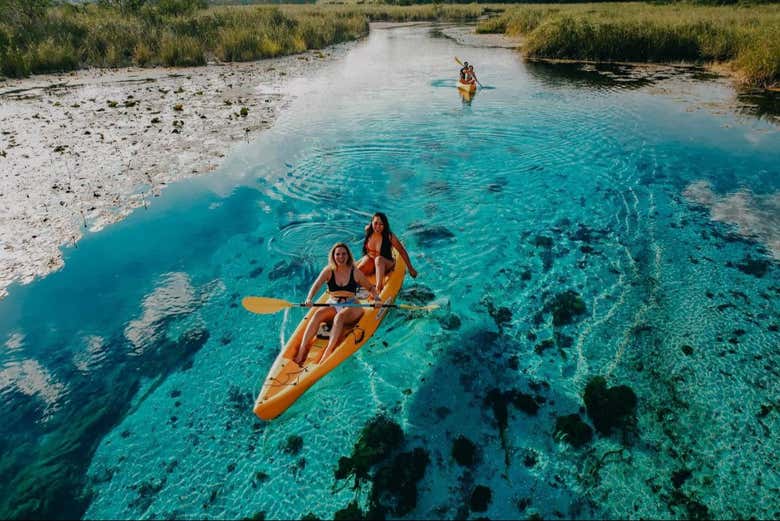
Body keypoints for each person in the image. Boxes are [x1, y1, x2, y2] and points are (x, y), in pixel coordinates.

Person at [294, 242, 379, 366]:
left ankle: (329, 350)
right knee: (318, 314)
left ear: (348, 256)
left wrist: (377, 298)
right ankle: (302, 350)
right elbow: (316, 285)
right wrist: (309, 298)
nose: (341, 257)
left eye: (344, 254)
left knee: (339, 318)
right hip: (333, 303)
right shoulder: (328, 271)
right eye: (338, 254)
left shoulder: (354, 272)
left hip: (352, 306)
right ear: (333, 256)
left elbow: (370, 288)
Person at [357, 212, 418, 294]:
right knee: (360, 268)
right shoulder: (368, 230)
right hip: (372, 262)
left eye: (381, 224)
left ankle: (378, 289)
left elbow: (402, 251)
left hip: (386, 263)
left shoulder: (389, 236)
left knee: (378, 260)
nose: (378, 227)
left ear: (385, 225)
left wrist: (410, 269)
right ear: (371, 223)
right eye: (375, 223)